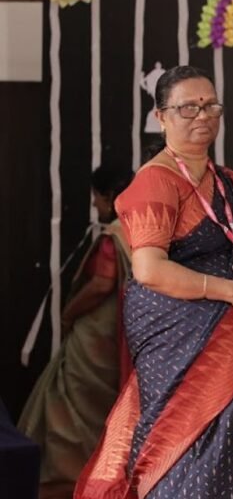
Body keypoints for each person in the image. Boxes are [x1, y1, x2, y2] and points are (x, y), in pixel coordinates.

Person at [75, 65, 233, 498]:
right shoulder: (154, 181)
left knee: (228, 455)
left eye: (210, 106)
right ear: (161, 116)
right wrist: (232, 292)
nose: (202, 115)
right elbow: (150, 270)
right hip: (179, 344)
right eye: (188, 107)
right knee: (180, 453)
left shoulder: (232, 184)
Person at [18, 165, 134, 499]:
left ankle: (66, 477)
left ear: (109, 196)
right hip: (121, 336)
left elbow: (101, 283)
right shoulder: (141, 230)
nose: (94, 204)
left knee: (68, 406)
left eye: (96, 197)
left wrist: (69, 313)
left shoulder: (114, 234)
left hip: (96, 336)